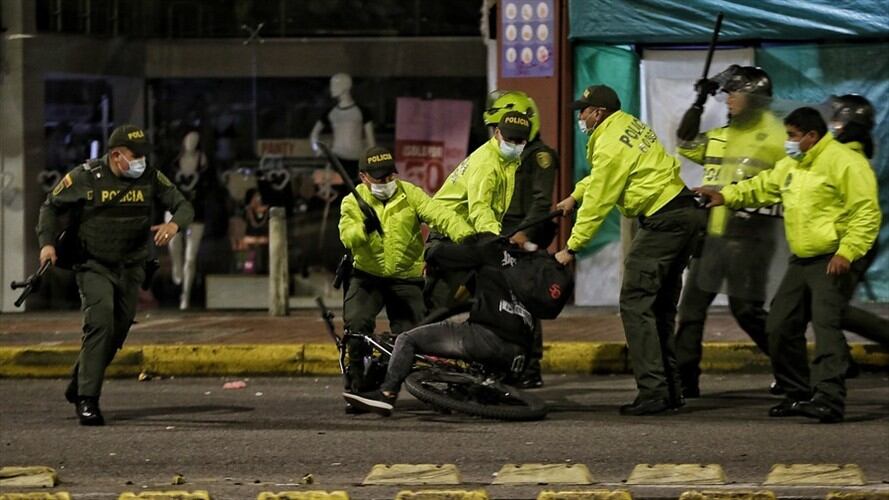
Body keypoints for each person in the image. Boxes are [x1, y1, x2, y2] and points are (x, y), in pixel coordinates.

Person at [696, 107, 881, 423]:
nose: (788, 142)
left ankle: (829, 400)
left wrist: (847, 252)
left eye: (793, 136)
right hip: (802, 260)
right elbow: (763, 186)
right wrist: (724, 196)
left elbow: (866, 213)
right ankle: (798, 394)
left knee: (826, 328)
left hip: (831, 257)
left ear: (812, 136)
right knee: (779, 325)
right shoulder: (794, 163)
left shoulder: (845, 162)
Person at [554, 84, 706, 416]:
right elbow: (602, 178)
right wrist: (575, 196)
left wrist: (571, 248)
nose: (581, 117)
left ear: (599, 113)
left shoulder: (607, 142)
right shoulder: (629, 125)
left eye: (584, 110)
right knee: (661, 307)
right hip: (685, 212)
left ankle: (653, 392)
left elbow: (601, 198)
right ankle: (671, 390)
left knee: (635, 302)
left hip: (664, 221)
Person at [37, 124, 194, 426]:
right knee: (100, 321)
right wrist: (47, 245)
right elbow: (50, 207)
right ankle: (88, 400)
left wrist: (174, 225)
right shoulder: (86, 176)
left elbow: (183, 205)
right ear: (116, 155)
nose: (142, 162)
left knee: (118, 329)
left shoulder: (149, 176)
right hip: (94, 264)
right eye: (136, 156)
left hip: (132, 266)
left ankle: (79, 381)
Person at [343, 236, 572, 416]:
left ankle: (386, 394)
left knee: (407, 339)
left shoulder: (486, 251)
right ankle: (476, 392)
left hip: (484, 338)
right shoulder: (527, 267)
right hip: (518, 356)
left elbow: (443, 257)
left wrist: (430, 250)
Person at [673, 66, 787, 398]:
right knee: (691, 309)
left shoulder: (777, 137)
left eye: (735, 93)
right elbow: (684, 141)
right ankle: (685, 380)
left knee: (746, 311)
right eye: (727, 93)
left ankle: (792, 371)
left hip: (751, 238)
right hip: (712, 236)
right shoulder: (720, 135)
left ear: (754, 98)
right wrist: (698, 102)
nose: (729, 99)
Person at [338, 146, 475, 408]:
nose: (387, 182)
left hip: (405, 278)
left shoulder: (409, 193)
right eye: (380, 178)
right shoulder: (352, 202)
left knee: (412, 335)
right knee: (356, 327)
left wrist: (467, 236)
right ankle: (357, 382)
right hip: (368, 277)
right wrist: (364, 228)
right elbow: (347, 237)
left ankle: (389, 383)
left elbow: (440, 215)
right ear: (363, 177)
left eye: (390, 176)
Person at [483, 90, 560, 388]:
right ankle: (507, 361)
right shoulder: (503, 155)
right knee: (500, 299)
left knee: (524, 299)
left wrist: (523, 234)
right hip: (503, 233)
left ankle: (530, 366)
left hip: (523, 234)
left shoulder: (538, 156)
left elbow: (541, 202)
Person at [426, 110, 532, 309]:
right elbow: (480, 207)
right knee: (439, 305)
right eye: (510, 140)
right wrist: (493, 239)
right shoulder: (487, 164)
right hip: (451, 234)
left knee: (473, 293)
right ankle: (417, 337)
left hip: (470, 233)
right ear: (497, 133)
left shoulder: (506, 159)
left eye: (520, 141)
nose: (515, 145)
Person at [827, 94, 889, 347]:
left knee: (832, 309)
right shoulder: (839, 154)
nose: (832, 124)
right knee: (824, 308)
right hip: (844, 242)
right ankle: (839, 362)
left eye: (837, 119)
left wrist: (847, 251)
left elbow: (864, 213)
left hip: (852, 243)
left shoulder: (850, 160)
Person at [168, 130, 211, 309]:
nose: (191, 143)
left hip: (195, 211)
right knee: (174, 243)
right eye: (188, 139)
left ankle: (185, 295)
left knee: (191, 258)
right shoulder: (175, 162)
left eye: (195, 140)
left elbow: (209, 187)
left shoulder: (204, 163)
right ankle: (176, 266)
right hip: (175, 209)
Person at [310, 73, 376, 183]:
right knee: (336, 191)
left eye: (335, 85)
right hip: (336, 158)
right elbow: (314, 134)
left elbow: (371, 142)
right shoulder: (331, 113)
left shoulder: (362, 112)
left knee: (355, 191)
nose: (331, 88)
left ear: (346, 86)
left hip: (357, 158)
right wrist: (317, 150)